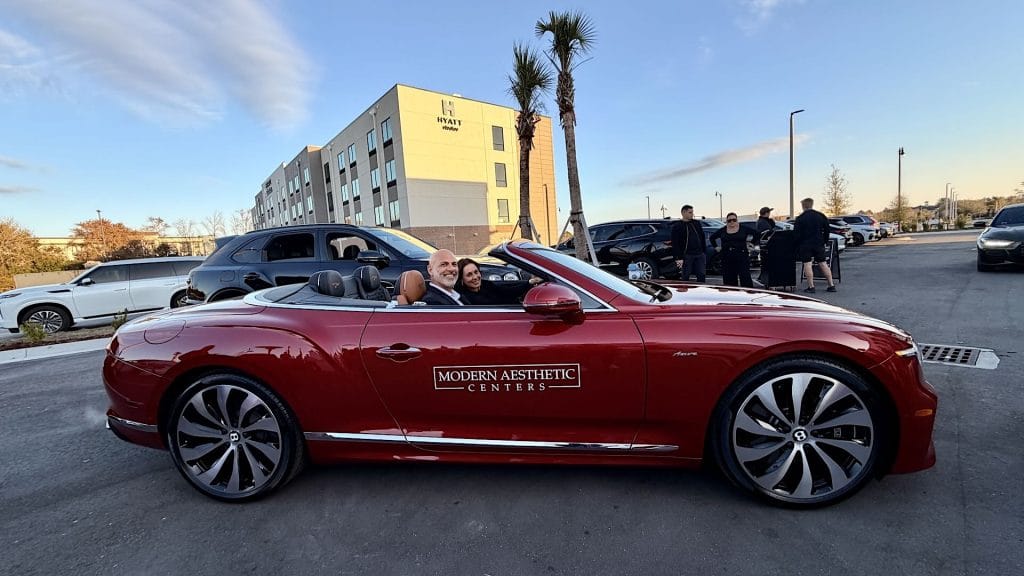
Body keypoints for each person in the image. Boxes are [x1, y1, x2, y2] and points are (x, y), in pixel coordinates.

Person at [793, 198, 837, 293]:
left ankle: (811, 286)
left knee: (807, 264)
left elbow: (796, 234)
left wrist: (797, 245)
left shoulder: (800, 218)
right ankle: (831, 285)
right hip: (818, 243)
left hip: (805, 244)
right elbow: (827, 230)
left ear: (803, 206)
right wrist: (824, 241)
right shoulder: (821, 216)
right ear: (812, 204)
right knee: (823, 263)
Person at [455, 258, 539, 305]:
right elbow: (499, 298)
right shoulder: (464, 297)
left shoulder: (485, 285)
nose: (475, 277)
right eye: (469, 275)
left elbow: (505, 290)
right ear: (462, 279)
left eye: (476, 272)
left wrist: (530, 282)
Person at [709, 212, 755, 287]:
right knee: (729, 280)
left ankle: (748, 295)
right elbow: (712, 238)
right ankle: (731, 296)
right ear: (727, 222)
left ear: (737, 220)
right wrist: (716, 247)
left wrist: (751, 243)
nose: (732, 222)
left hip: (742, 257)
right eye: (729, 220)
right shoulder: (723, 230)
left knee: (745, 278)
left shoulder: (743, 228)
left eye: (734, 220)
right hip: (727, 257)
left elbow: (757, 234)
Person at [671, 204, 707, 282]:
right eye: (690, 212)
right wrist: (679, 257)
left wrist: (704, 252)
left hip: (699, 254)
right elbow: (675, 243)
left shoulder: (696, 223)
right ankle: (685, 292)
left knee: (701, 275)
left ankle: (701, 292)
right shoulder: (677, 226)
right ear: (683, 213)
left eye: (692, 212)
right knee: (685, 276)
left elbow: (702, 237)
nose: (692, 214)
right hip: (687, 255)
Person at [755, 206, 778, 285]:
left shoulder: (763, 221)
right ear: (766, 213)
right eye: (769, 213)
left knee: (765, 262)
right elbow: (768, 231)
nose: (769, 214)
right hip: (765, 244)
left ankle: (762, 277)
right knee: (765, 262)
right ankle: (763, 278)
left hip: (765, 244)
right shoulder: (762, 222)